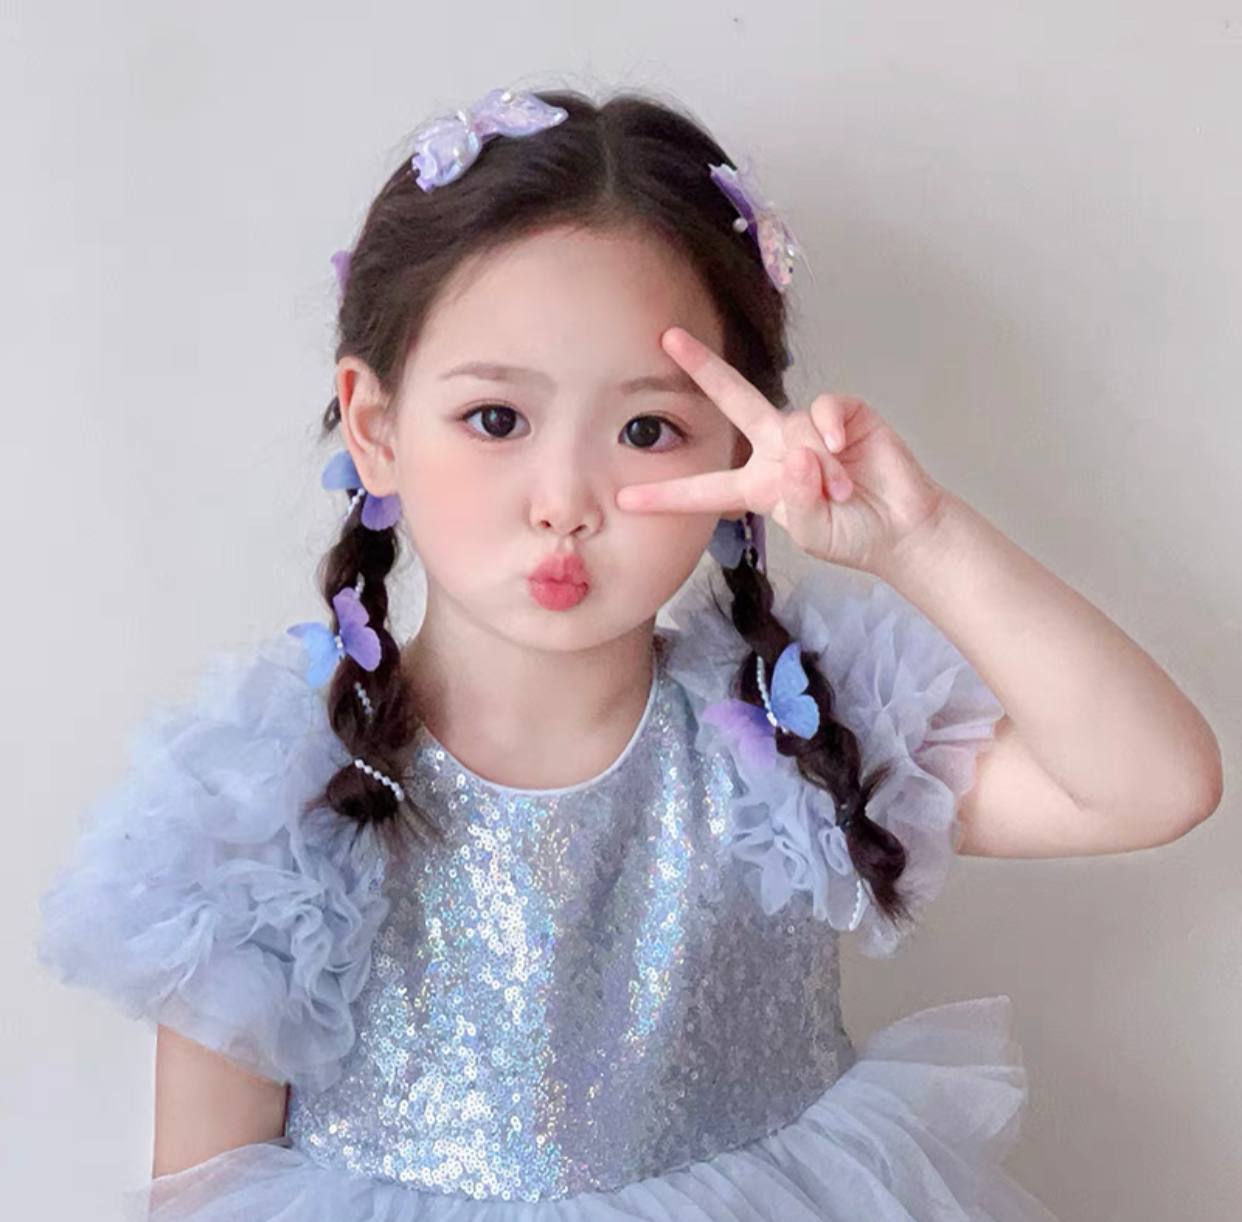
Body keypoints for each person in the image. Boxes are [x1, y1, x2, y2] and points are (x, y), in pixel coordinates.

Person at [36, 84, 1221, 1221]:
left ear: (739, 449)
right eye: (496, 419)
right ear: (376, 423)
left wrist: (921, 541)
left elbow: (1151, 785)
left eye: (647, 428)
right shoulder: (263, 810)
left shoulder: (788, 740)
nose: (565, 499)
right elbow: (207, 1198)